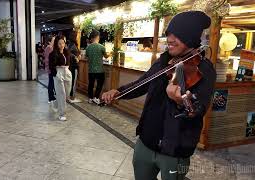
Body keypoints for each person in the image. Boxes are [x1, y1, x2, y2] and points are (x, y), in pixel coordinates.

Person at [102, 11, 216, 180]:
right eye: (169, 34)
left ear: (191, 37)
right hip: (147, 141)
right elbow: (142, 83)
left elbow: (198, 109)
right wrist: (119, 92)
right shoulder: (163, 61)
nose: (169, 39)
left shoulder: (204, 69)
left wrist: (180, 101)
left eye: (177, 35)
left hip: (176, 149)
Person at [49, 36, 72, 121]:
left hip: (67, 72)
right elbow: (51, 66)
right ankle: (62, 114)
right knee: (61, 93)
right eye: (59, 43)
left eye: (63, 43)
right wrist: (56, 74)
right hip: (58, 72)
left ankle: (55, 103)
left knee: (67, 93)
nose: (62, 45)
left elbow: (69, 63)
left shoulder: (67, 52)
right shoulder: (53, 54)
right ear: (56, 44)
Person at [85, 30, 109, 104]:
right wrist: (110, 53)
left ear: (92, 38)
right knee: (99, 84)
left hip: (91, 70)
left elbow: (86, 57)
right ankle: (96, 97)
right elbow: (106, 56)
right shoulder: (101, 47)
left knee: (91, 84)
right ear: (98, 37)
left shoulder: (88, 48)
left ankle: (90, 98)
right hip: (99, 70)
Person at [67, 31, 82, 103]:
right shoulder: (72, 45)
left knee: (72, 81)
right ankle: (72, 98)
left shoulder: (71, 44)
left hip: (71, 66)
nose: (78, 36)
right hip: (74, 66)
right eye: (78, 35)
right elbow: (68, 53)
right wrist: (75, 57)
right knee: (73, 81)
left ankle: (70, 96)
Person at [43, 35, 56, 108]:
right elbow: (49, 59)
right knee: (51, 82)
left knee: (52, 82)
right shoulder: (49, 48)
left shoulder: (49, 48)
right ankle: (51, 98)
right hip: (50, 68)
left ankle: (52, 97)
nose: (54, 41)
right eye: (53, 40)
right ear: (49, 41)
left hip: (49, 68)